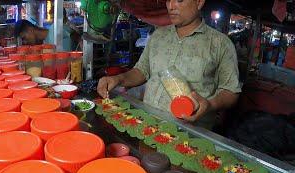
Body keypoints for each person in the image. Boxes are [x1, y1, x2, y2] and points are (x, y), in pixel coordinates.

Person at [97, 0, 241, 130]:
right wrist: (118, 79)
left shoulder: (220, 44)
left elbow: (231, 91)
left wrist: (210, 104)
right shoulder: (158, 36)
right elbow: (141, 71)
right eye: (168, 0)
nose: (171, 6)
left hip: (191, 134)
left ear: (199, 2)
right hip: (147, 126)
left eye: (179, 0)